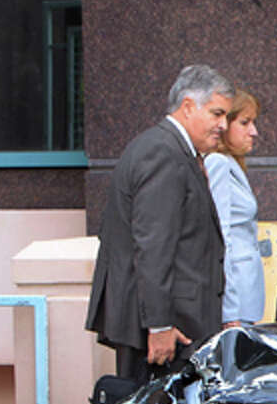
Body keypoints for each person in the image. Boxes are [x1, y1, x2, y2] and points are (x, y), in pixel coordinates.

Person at [86, 64, 233, 383]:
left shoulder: (171, 150)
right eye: (217, 113)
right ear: (188, 106)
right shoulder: (162, 152)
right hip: (165, 335)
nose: (223, 125)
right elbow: (153, 248)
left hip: (176, 327)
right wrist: (160, 326)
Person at [206, 88, 264, 327]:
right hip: (236, 300)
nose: (254, 131)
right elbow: (222, 237)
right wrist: (229, 312)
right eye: (244, 122)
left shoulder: (231, 164)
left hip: (245, 296)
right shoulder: (217, 163)